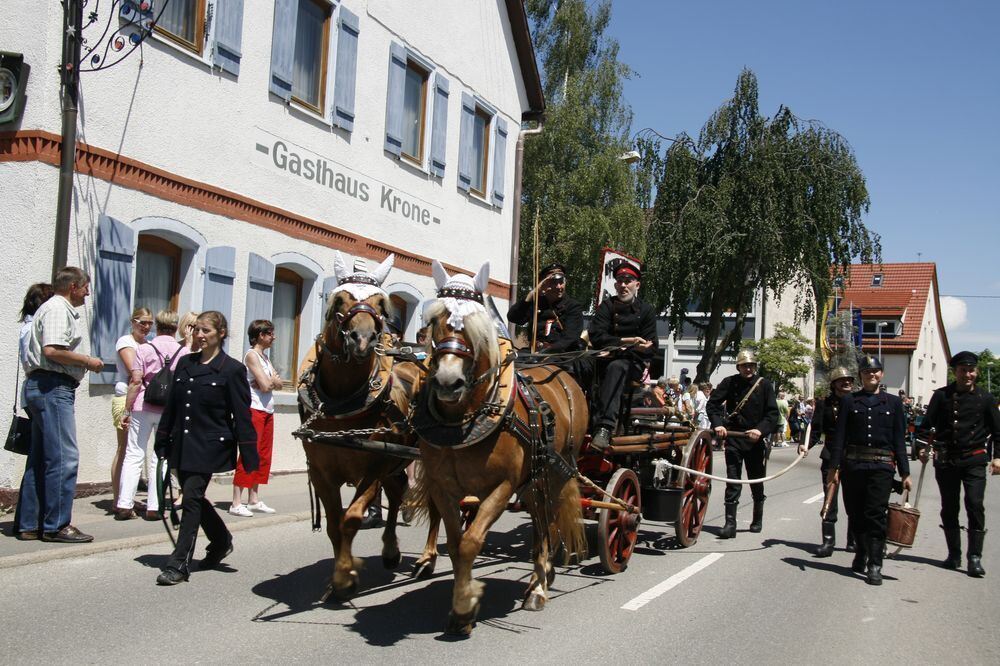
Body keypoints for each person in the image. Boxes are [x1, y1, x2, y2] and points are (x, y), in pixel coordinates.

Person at [153, 311, 258, 585]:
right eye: (197, 330)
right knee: (194, 497)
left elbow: (242, 415)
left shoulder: (232, 369)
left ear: (221, 334)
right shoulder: (185, 364)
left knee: (191, 498)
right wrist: (162, 438)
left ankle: (179, 564)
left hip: (211, 445)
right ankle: (221, 540)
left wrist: (249, 454)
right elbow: (173, 407)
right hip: (183, 442)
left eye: (206, 331)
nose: (199, 335)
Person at [17, 267, 104, 543]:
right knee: (65, 457)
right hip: (53, 387)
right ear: (74, 286)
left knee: (41, 458)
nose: (88, 293)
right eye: (86, 287)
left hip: (43, 387)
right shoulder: (58, 308)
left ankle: (30, 523)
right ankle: (56, 525)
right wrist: (88, 361)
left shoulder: (52, 307)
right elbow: (52, 350)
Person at [828, 355, 912, 586]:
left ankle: (875, 564)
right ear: (861, 376)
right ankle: (862, 552)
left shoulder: (893, 403)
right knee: (855, 515)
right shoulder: (849, 402)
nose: (871, 375)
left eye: (875, 371)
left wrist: (905, 473)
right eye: (866, 372)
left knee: (875, 515)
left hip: (881, 467)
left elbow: (898, 439)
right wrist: (834, 468)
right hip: (853, 466)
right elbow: (840, 437)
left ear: (881, 374)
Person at [917, 351, 1000, 577]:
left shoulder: (986, 399)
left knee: (975, 504)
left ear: (977, 372)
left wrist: (997, 457)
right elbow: (925, 427)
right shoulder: (942, 396)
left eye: (971, 370)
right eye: (963, 370)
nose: (968, 374)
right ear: (955, 372)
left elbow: (998, 432)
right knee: (949, 507)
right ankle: (954, 554)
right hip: (947, 460)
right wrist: (922, 447)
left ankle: (974, 557)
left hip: (974, 458)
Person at [117, 310, 184, 520]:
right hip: (169, 409)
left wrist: (127, 409)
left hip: (143, 406)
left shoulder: (145, 348)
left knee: (134, 453)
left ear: (157, 326)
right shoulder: (183, 352)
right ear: (175, 328)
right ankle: (154, 507)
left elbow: (136, 380)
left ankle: (124, 504)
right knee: (161, 457)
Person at [707, 349, 779, 538]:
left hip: (755, 441)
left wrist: (760, 430)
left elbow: (772, 414)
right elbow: (712, 405)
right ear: (738, 366)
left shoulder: (764, 385)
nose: (748, 369)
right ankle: (730, 524)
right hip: (734, 438)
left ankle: (757, 518)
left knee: (756, 481)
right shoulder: (729, 382)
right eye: (744, 365)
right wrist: (718, 425)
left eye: (751, 365)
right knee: (733, 481)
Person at [587, 259, 658, 449]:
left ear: (637, 285)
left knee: (616, 367)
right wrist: (625, 342)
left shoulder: (646, 311)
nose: (623, 285)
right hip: (604, 358)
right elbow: (596, 335)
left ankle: (604, 426)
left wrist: (636, 348)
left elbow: (652, 346)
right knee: (579, 363)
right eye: (619, 281)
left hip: (631, 364)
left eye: (628, 281)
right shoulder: (607, 306)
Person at [11, 283, 54, 537]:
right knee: (43, 459)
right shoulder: (34, 328)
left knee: (36, 458)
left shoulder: (26, 327)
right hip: (41, 391)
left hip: (30, 394)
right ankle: (32, 521)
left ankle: (27, 521)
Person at [800, 367, 855, 557]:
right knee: (830, 499)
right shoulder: (824, 404)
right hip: (831, 455)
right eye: (841, 380)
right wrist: (805, 445)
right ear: (834, 384)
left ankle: (853, 540)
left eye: (848, 380)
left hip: (854, 457)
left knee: (854, 500)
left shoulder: (858, 401)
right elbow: (815, 429)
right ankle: (828, 542)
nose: (846, 383)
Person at [231, 319, 283, 517]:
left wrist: (272, 382)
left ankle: (253, 499)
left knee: (263, 455)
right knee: (248, 453)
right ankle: (236, 502)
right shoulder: (252, 355)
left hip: (267, 409)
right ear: (261, 335)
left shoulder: (265, 358)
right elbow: (265, 385)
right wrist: (272, 381)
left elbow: (278, 383)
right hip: (254, 409)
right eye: (270, 333)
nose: (274, 337)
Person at [111, 307, 152, 510]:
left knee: (135, 451)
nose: (146, 327)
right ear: (133, 322)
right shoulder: (125, 341)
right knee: (124, 448)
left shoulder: (149, 344)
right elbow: (133, 370)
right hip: (125, 395)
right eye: (142, 322)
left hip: (142, 400)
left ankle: (126, 498)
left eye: (149, 323)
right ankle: (118, 499)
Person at [507, 262, 585, 353]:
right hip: (533, 352)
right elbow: (514, 317)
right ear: (544, 284)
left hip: (560, 355)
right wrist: (532, 294)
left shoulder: (573, 306)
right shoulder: (537, 303)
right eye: (554, 283)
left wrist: (547, 351)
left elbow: (570, 338)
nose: (559, 287)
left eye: (561, 282)